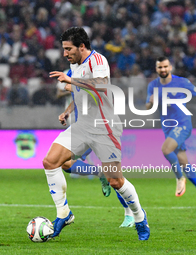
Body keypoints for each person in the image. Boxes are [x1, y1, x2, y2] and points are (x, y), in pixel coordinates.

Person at [45, 27, 150, 240]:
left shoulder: (97, 60)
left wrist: (71, 80)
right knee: (51, 162)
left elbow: (101, 86)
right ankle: (63, 214)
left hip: (104, 126)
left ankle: (140, 216)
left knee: (116, 181)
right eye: (64, 49)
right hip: (82, 125)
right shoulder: (74, 65)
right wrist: (67, 111)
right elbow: (79, 93)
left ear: (82, 46)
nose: (65, 54)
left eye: (68, 49)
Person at [146, 56, 196, 205]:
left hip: (183, 124)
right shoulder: (153, 86)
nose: (163, 69)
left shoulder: (181, 82)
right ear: (156, 69)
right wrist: (150, 102)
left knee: (166, 149)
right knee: (183, 161)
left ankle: (180, 178)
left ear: (170, 67)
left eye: (165, 66)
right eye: (160, 67)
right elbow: (147, 107)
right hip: (167, 126)